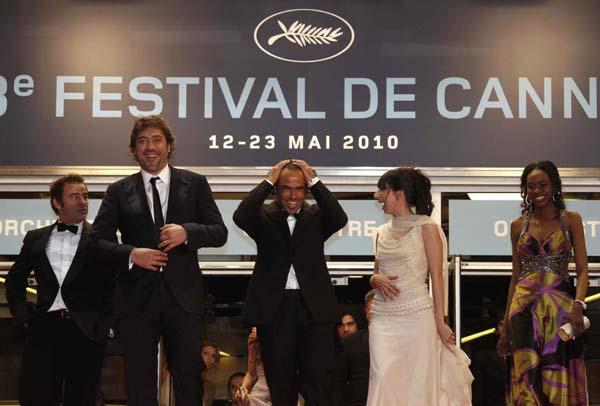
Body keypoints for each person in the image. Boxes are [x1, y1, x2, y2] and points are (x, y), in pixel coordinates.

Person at [90, 115, 228, 406]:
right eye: (142, 141)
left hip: (184, 298)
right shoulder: (118, 191)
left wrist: (187, 232)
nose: (149, 147)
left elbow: (219, 232)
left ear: (169, 146)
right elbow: (97, 243)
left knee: (188, 377)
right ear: (134, 150)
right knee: (139, 381)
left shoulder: (196, 183)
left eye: (156, 140)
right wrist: (131, 254)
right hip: (135, 300)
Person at [233, 159, 348, 406]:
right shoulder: (263, 216)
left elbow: (339, 218)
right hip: (275, 312)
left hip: (314, 311)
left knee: (318, 385)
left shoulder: (318, 216)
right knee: (280, 386)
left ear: (306, 190)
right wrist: (268, 179)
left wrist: (314, 180)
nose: (293, 195)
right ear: (277, 189)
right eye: (286, 188)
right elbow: (240, 216)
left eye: (299, 188)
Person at [367, 167, 473, 406]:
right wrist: (374, 280)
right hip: (383, 318)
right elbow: (375, 274)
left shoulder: (427, 227)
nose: (377, 196)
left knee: (417, 384)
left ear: (398, 193)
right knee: (383, 377)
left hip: (417, 318)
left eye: (382, 190)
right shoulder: (379, 232)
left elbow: (437, 277)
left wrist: (440, 321)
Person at [5, 174, 112, 406]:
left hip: (85, 332)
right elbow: (14, 280)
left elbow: (115, 285)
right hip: (44, 329)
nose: (83, 201)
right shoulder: (35, 238)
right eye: (74, 196)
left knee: (82, 399)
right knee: (36, 397)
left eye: (85, 196)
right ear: (57, 203)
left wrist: (105, 324)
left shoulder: (102, 239)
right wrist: (23, 314)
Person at [496, 160, 589, 404]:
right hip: (523, 311)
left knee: (556, 375)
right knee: (526, 376)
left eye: (543, 185)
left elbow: (582, 270)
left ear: (554, 186)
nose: (537, 191)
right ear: (525, 190)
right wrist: (506, 324)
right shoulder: (518, 226)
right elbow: (516, 276)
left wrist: (578, 304)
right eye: (531, 186)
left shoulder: (570, 220)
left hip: (560, 311)